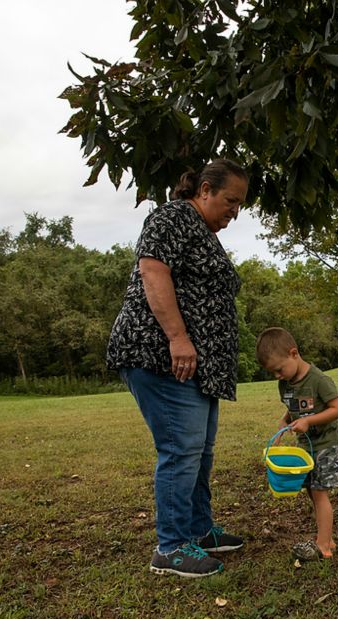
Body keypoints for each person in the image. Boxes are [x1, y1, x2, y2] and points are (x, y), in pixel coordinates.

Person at [107, 159, 249, 578]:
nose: (233, 212)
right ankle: (170, 548)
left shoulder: (199, 230)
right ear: (204, 189)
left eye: (239, 206)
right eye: (229, 201)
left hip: (195, 368)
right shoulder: (171, 217)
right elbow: (153, 270)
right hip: (162, 357)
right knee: (181, 451)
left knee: (199, 453)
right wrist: (178, 337)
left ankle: (198, 531)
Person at [256, 327, 338, 561]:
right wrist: (283, 424)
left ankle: (323, 546)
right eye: (272, 373)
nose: (277, 376)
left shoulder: (319, 380)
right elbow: (292, 408)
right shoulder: (285, 384)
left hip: (327, 445)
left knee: (319, 493)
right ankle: (327, 538)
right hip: (306, 448)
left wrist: (309, 421)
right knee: (310, 491)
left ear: (294, 353)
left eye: (279, 369)